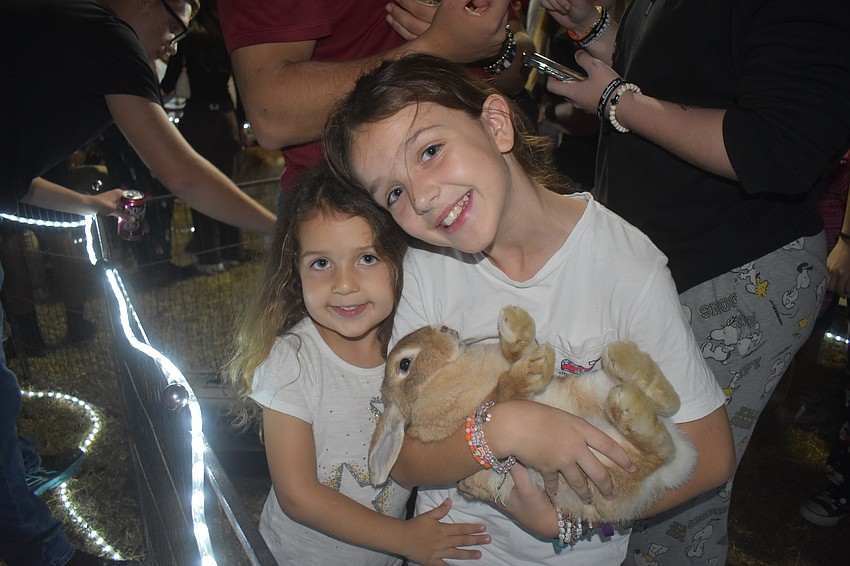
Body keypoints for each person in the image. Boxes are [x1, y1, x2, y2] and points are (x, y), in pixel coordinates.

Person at [323, 54, 735, 565]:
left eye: (430, 150)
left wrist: (573, 518)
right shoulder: (426, 271)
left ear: (496, 125)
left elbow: (712, 453)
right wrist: (504, 427)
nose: (423, 197)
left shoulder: (627, 266)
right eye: (395, 193)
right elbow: (402, 461)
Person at [538, 0, 850, 563]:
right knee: (626, 468)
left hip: (734, 268)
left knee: (673, 493)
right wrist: (598, 27)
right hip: (665, 261)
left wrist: (616, 102)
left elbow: (778, 147)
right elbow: (685, 68)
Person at [0, 1, 275, 564]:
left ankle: (17, 470)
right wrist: (280, 227)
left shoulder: (58, 36)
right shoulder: (108, 34)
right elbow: (179, 170)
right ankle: (32, 545)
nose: (174, 42)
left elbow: (13, 177)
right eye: (176, 21)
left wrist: (88, 203)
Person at [223, 162, 491, 565]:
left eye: (367, 258)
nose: (344, 284)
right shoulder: (292, 361)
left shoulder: (415, 354)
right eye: (320, 263)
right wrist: (405, 539)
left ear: (401, 261)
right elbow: (298, 495)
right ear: (294, 272)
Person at [217, 0, 536, 194]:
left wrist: (497, 48)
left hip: (492, 178)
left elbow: (519, 53)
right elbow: (271, 113)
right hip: (359, 214)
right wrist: (437, 48)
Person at [161, 0, 245, 274]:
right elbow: (241, 83)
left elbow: (169, 83)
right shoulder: (227, 33)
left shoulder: (189, 36)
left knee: (203, 189)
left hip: (198, 120)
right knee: (229, 187)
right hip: (226, 117)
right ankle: (233, 250)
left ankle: (210, 256)